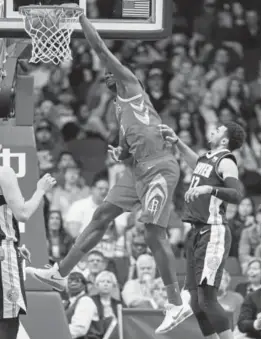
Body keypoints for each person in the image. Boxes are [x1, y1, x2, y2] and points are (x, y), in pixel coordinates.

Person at [26, 8, 192, 334]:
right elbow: (127, 148)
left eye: (109, 75)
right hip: (136, 172)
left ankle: (175, 303)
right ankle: (60, 272)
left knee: (151, 231)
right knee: (101, 216)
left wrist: (81, 20)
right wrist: (121, 151)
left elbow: (101, 49)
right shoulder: (120, 108)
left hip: (160, 169)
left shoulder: (131, 85)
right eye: (105, 78)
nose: (107, 77)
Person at [159, 121, 246, 339]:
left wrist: (210, 188)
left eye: (218, 129)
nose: (213, 129)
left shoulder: (226, 161)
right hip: (196, 231)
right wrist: (177, 141)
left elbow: (236, 195)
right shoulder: (207, 158)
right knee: (196, 302)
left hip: (213, 231)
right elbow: (196, 164)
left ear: (224, 140)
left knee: (207, 300)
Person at [0, 145, 56, 339]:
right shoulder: (3, 172)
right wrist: (41, 190)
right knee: (8, 317)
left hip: (7, 247)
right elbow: (22, 214)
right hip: (3, 254)